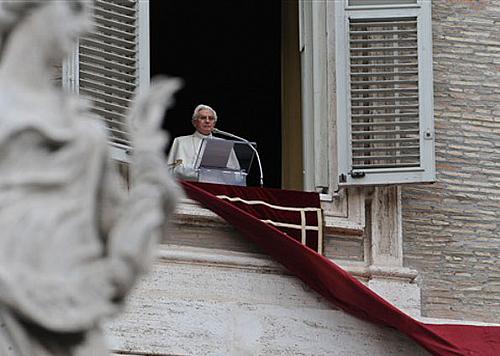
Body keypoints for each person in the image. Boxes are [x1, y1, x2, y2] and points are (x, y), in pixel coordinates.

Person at [0, 1, 181, 355]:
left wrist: (146, 153)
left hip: (74, 333)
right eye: (75, 7)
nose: (89, 25)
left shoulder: (88, 133)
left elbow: (119, 256)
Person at [167, 104, 239, 180]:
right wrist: (201, 174)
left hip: (215, 190)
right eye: (203, 118)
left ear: (214, 123)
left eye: (211, 118)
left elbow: (237, 174)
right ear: (194, 122)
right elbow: (171, 171)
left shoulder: (223, 144)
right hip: (189, 188)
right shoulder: (181, 141)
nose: (207, 121)